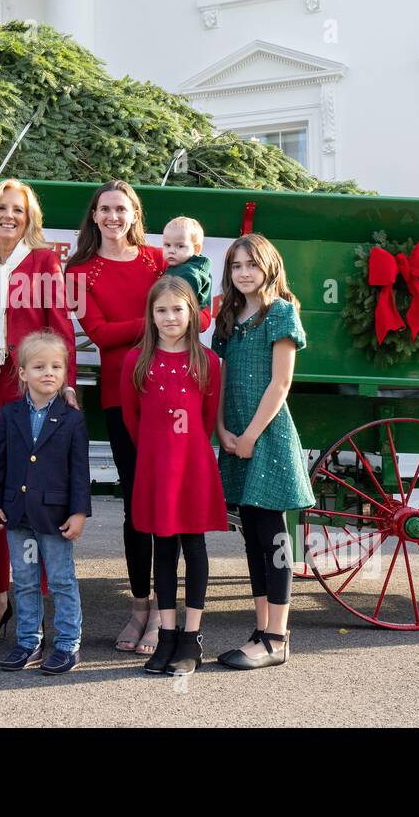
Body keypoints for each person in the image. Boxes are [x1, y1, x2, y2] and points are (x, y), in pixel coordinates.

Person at [0, 179, 78, 648]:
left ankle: (39, 602)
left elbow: (60, 327)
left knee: (39, 494)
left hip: (30, 391)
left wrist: (62, 386)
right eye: (1, 208)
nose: (9, 216)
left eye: (18, 210)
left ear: (30, 219)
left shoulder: (45, 262)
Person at [64, 180, 166, 655]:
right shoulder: (79, 272)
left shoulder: (157, 262)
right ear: (94, 215)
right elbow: (101, 335)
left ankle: (164, 615)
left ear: (134, 214)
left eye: (121, 209)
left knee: (164, 502)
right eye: (104, 209)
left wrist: (179, 318)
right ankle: (139, 607)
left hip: (167, 394)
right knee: (135, 504)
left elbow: (198, 316)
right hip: (120, 394)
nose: (112, 217)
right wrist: (161, 321)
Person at [212, 234, 314, 670]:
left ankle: (278, 636)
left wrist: (251, 433)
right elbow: (218, 378)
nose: (245, 272)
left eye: (252, 264)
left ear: (269, 265)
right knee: (251, 534)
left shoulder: (280, 314)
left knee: (273, 536)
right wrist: (221, 429)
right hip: (235, 436)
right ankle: (260, 628)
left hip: (266, 436)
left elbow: (280, 383)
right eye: (236, 266)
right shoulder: (229, 317)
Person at [120, 277, 226, 676]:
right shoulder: (137, 361)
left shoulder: (207, 362)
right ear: (151, 315)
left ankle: (191, 639)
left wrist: (181, 448)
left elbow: (206, 417)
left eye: (177, 310)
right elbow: (132, 418)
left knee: (193, 549)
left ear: (194, 314)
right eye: (161, 310)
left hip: (192, 466)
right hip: (156, 468)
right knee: (162, 551)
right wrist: (157, 451)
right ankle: (165, 636)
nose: (169, 317)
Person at [0, 331, 91, 675]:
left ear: (65, 372)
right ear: (23, 373)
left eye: (56, 366)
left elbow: (79, 471)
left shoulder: (72, 418)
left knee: (61, 579)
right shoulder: (9, 414)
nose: (48, 372)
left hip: (56, 516)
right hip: (17, 513)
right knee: (26, 579)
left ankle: (67, 644)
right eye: (39, 366)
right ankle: (28, 641)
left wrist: (78, 512)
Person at [161, 217, 213, 324]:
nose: (171, 251)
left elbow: (176, 302)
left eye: (180, 246)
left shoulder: (190, 273)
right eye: (167, 245)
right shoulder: (179, 266)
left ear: (196, 249)